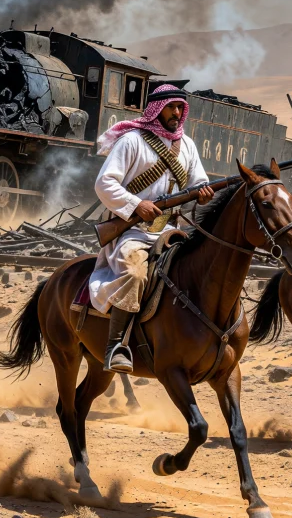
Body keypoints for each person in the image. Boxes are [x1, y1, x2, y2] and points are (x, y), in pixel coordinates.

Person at [88, 80, 213, 373]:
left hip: (174, 230)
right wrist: (136, 205)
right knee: (134, 272)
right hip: (135, 231)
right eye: (171, 106)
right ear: (157, 109)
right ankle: (116, 346)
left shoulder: (188, 146)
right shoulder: (132, 141)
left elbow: (199, 181)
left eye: (180, 107)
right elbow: (104, 183)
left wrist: (204, 191)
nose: (176, 112)